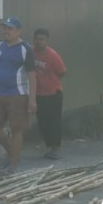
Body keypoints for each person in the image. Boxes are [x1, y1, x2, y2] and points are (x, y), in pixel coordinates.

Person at [0, 17, 36, 172]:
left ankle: (13, 163)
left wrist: (32, 99)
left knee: (16, 129)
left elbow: (32, 75)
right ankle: (12, 152)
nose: (6, 31)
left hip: (18, 94)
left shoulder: (25, 48)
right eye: (5, 28)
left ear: (18, 31)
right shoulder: (0, 46)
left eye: (10, 28)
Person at [32, 28, 67, 160]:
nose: (39, 42)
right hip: (38, 94)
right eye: (37, 39)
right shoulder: (31, 53)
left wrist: (51, 81)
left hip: (53, 93)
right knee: (42, 121)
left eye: (42, 39)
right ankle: (49, 146)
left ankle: (55, 148)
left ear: (46, 41)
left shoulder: (52, 55)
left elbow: (62, 71)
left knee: (54, 122)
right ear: (33, 39)